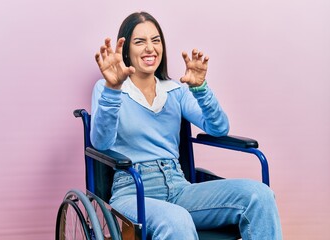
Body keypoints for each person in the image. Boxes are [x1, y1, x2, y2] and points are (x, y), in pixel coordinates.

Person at [91, 11, 282, 240]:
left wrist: (201, 90)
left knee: (259, 196)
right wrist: (113, 90)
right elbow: (101, 142)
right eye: (139, 42)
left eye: (156, 40)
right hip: (133, 190)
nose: (150, 48)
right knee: (177, 219)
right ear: (126, 50)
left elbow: (218, 129)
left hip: (178, 186)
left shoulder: (175, 90)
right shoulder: (107, 88)